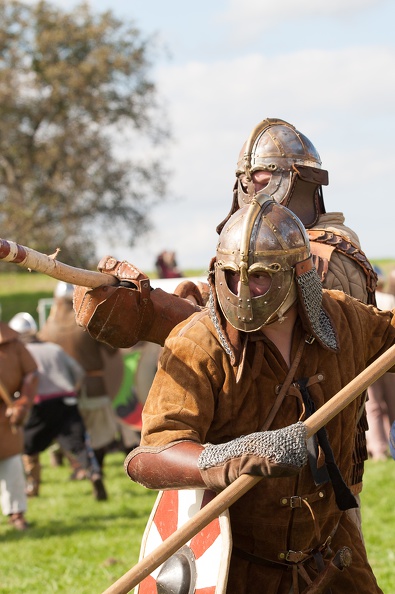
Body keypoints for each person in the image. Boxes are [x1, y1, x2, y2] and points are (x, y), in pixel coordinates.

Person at [73, 118, 375, 536]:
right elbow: (218, 321)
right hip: (239, 499)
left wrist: (161, 316)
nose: (252, 189)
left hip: (323, 483)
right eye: (245, 179)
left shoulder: (328, 258)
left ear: (299, 181)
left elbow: (274, 323)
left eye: (264, 177)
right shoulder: (237, 247)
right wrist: (150, 305)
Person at [125, 197, 388, 593]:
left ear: (299, 273)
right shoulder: (199, 343)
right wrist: (231, 458)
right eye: (231, 274)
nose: (243, 288)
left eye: (262, 274)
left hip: (334, 560)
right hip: (242, 571)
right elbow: (148, 458)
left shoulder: (344, 320)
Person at [8, 312, 107, 501]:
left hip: (40, 404)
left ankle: (32, 486)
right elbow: (78, 372)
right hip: (67, 400)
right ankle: (93, 473)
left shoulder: (21, 354)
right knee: (78, 445)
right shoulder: (54, 349)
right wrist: (72, 391)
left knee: (28, 447)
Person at [39, 282, 119, 474]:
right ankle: (96, 469)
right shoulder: (87, 324)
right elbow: (113, 351)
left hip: (64, 392)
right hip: (93, 387)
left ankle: (81, 469)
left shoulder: (46, 331)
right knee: (99, 432)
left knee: (70, 433)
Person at [0, 320, 38, 531]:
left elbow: (31, 375)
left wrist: (22, 404)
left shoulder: (13, 344)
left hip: (6, 416)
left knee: (12, 465)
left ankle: (16, 514)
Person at [365, 268, 395, 460]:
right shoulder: (388, 300)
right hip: (388, 360)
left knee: (374, 406)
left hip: (371, 360)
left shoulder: (362, 303)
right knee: (392, 403)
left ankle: (378, 449)